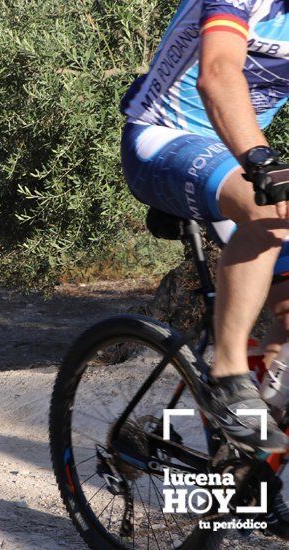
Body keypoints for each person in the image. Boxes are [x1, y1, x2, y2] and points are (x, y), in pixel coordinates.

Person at [120, 0, 289, 454]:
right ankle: (228, 376)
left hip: (234, 158)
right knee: (270, 214)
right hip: (162, 140)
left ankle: (248, 465)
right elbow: (216, 72)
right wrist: (262, 161)